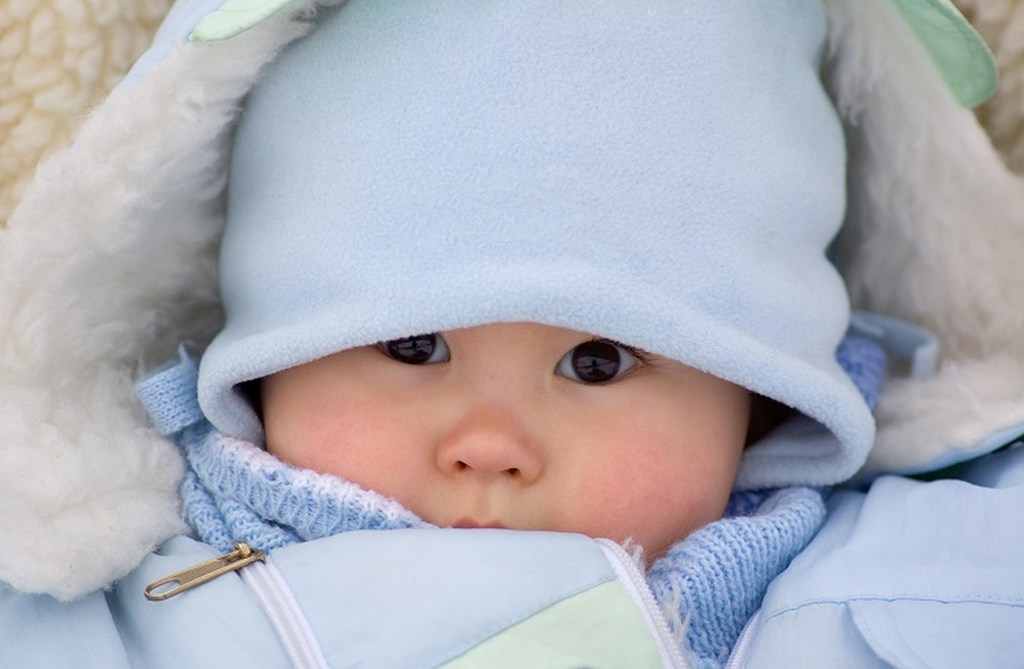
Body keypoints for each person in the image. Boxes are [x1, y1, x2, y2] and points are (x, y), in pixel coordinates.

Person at [2, 1, 1022, 668]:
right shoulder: (95, 604)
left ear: (761, 397)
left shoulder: (941, 571)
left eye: (597, 362)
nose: (488, 443)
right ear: (262, 363)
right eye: (412, 345)